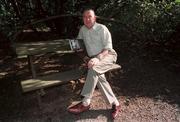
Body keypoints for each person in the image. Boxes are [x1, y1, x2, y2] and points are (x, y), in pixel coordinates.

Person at [68, 9, 120, 119]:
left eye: (89, 16)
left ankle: (85, 102)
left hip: (107, 55)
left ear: (94, 18)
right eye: (84, 17)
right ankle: (115, 103)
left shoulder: (102, 28)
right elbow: (78, 47)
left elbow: (108, 49)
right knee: (95, 71)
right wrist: (86, 58)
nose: (87, 19)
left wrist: (97, 58)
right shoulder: (82, 29)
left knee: (93, 68)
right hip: (93, 59)